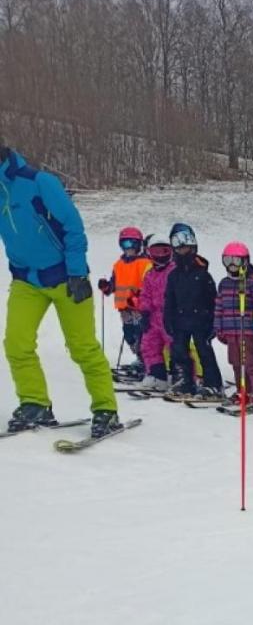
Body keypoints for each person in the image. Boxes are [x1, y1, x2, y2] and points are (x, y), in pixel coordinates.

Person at [0, 140, 120, 437]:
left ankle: (106, 409)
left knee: (82, 347)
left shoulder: (39, 182)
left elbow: (73, 227)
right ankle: (35, 403)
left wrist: (77, 272)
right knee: (16, 343)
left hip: (67, 277)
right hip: (26, 281)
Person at [162, 223, 223, 401]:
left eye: (186, 247)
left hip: (201, 320)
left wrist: (213, 322)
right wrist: (168, 319)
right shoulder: (174, 275)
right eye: (179, 248)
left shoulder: (202, 274)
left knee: (204, 351)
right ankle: (186, 381)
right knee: (179, 351)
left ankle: (213, 384)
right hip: (180, 320)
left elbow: (213, 299)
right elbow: (169, 299)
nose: (183, 251)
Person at [214, 242, 253, 408]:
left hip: (246, 330)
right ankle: (242, 391)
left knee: (249, 362)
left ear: (245, 262)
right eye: (228, 261)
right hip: (230, 330)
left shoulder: (252, 284)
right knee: (236, 363)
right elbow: (219, 307)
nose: (232, 265)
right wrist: (218, 327)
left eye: (236, 261)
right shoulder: (224, 283)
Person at [97, 227, 151, 377]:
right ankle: (140, 358)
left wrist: (139, 297)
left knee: (142, 335)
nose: (129, 248)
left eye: (132, 243)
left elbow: (150, 285)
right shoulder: (118, 265)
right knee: (129, 335)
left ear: (139, 244)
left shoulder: (145, 263)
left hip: (139, 308)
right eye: (125, 244)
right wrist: (106, 287)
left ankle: (148, 361)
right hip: (124, 309)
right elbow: (113, 286)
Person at [137, 240, 177, 390]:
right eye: (156, 252)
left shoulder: (174, 271)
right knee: (149, 344)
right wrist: (144, 312)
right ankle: (157, 375)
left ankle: (179, 374)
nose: (160, 256)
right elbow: (145, 294)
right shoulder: (150, 274)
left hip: (170, 315)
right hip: (154, 316)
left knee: (175, 345)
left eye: (164, 251)